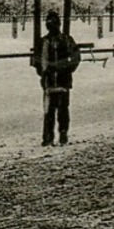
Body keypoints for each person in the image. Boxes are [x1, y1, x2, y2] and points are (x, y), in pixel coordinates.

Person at [31, 10, 82, 146]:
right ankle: (51, 136)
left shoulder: (64, 40)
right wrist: (44, 71)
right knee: (51, 110)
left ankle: (60, 134)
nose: (51, 26)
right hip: (51, 81)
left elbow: (75, 58)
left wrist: (58, 67)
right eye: (49, 23)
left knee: (60, 109)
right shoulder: (45, 42)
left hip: (61, 80)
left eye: (53, 23)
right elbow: (36, 60)